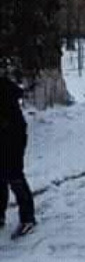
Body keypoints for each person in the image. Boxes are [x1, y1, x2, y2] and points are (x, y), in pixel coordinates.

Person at [0, 74, 36, 240]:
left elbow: (16, 95)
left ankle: (28, 219)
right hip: (7, 134)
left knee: (14, 175)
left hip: (12, 136)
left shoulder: (4, 87)